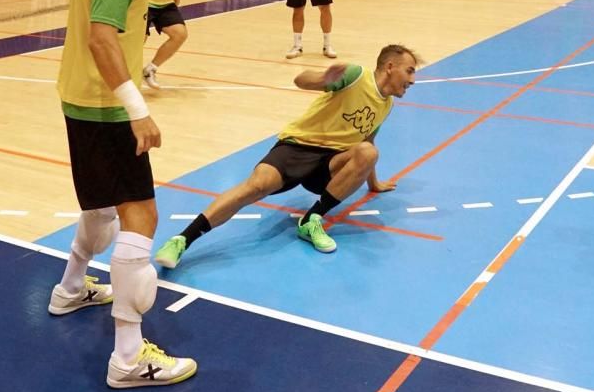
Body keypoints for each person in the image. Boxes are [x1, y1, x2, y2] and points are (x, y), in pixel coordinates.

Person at [49, 0, 196, 388]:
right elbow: (102, 38)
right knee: (141, 219)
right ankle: (130, 359)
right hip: (106, 107)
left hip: (79, 98)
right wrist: (138, 108)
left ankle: (70, 288)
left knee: (98, 206)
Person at [153, 45, 420, 268]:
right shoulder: (356, 76)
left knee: (368, 152)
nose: (412, 80)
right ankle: (182, 240)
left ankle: (312, 220)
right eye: (409, 71)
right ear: (389, 67)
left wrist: (374, 183)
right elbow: (301, 81)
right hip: (298, 147)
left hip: (329, 164)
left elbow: (367, 143)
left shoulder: (386, 105)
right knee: (255, 186)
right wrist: (322, 79)